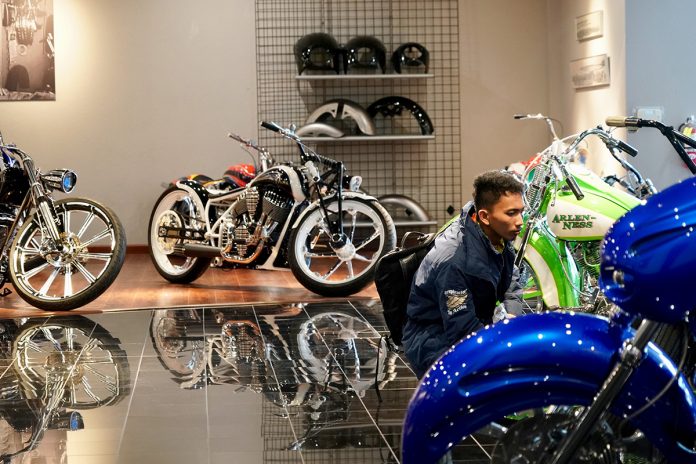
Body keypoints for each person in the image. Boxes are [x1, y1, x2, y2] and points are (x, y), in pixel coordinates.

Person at [402, 170, 526, 379]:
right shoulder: (454, 260)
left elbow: (512, 281)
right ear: (485, 216)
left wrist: (511, 320)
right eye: (511, 213)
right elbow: (462, 330)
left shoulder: (495, 235)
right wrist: (504, 345)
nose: (520, 221)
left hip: (473, 322)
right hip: (434, 341)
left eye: (521, 211)